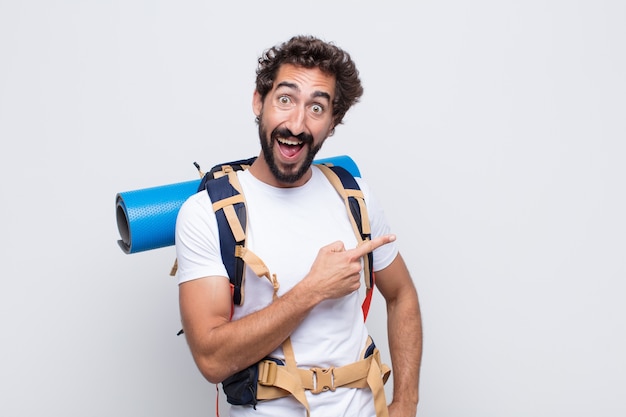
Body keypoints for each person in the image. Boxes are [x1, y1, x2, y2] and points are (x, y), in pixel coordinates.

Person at [175, 35, 422, 417]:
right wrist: (312, 290)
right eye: (285, 99)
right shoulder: (206, 214)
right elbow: (211, 359)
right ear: (260, 101)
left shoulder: (354, 196)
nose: (297, 123)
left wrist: (406, 401)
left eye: (317, 107)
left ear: (333, 122)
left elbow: (402, 295)